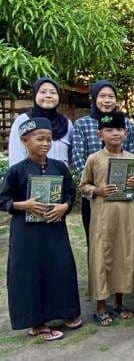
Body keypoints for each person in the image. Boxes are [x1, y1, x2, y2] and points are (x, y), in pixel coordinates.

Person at [0, 117, 81, 341]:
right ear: (25, 140)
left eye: (49, 139)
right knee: (30, 272)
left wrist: (64, 206)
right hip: (27, 233)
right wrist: (22, 205)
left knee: (60, 267)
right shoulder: (17, 171)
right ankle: (36, 322)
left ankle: (65, 312)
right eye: (40, 139)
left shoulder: (59, 167)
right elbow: (3, 199)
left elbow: (71, 193)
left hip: (54, 229)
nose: (45, 143)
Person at [80, 111, 134, 326]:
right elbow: (83, 186)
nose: (115, 133)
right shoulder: (94, 159)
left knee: (123, 254)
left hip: (126, 217)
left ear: (125, 133)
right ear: (100, 135)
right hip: (103, 217)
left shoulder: (132, 159)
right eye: (109, 130)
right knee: (101, 256)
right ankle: (100, 305)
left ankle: (119, 301)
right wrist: (97, 190)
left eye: (119, 129)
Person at [72, 80, 134, 247]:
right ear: (94, 98)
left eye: (111, 96)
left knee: (122, 240)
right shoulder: (82, 124)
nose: (107, 100)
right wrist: (96, 188)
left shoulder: (126, 123)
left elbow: (130, 155)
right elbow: (79, 159)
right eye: (102, 96)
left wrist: (127, 182)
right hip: (94, 194)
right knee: (96, 241)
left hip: (122, 193)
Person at [8, 77, 73, 167]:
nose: (48, 95)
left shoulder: (66, 124)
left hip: (60, 178)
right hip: (31, 178)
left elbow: (71, 158)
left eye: (53, 92)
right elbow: (15, 158)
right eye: (43, 92)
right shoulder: (24, 121)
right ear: (35, 95)